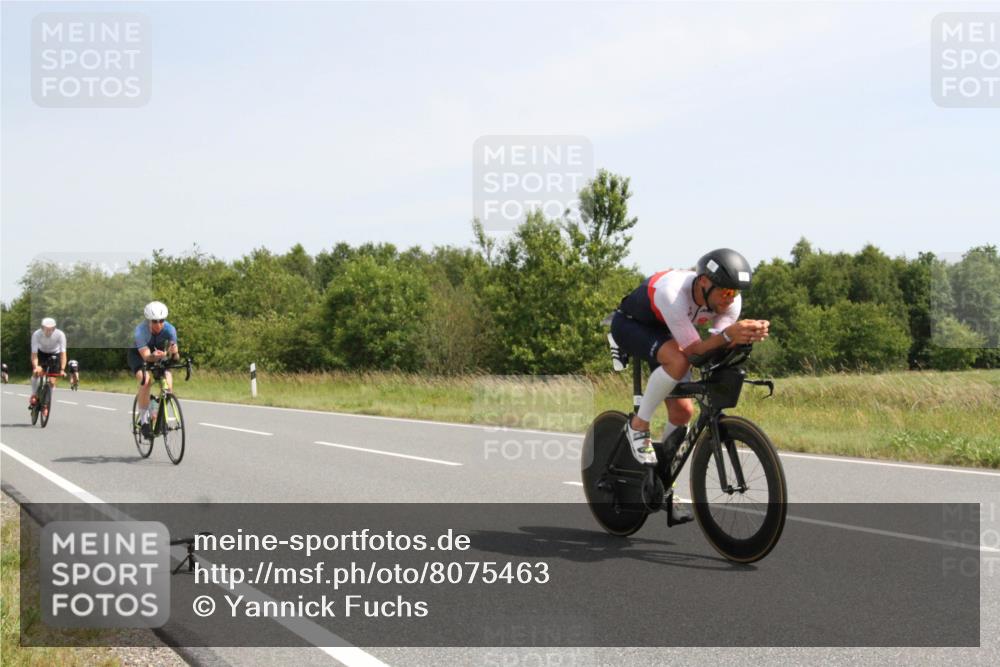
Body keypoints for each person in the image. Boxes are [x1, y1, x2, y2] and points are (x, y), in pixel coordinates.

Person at [610, 249, 770, 523]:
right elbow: (695, 352)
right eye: (726, 292)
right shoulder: (673, 293)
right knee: (679, 361)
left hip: (672, 331)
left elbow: (716, 347)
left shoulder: (730, 301)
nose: (730, 298)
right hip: (633, 325)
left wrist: (742, 337)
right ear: (705, 282)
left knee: (683, 413)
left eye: (735, 293)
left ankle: (663, 482)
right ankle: (638, 424)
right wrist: (728, 335)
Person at [128, 301, 180, 438]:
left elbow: (176, 357)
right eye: (154, 321)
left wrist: (174, 353)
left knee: (168, 386)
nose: (158, 324)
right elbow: (146, 357)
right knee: (146, 381)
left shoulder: (170, 330)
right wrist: (155, 356)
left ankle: (159, 414)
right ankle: (144, 421)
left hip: (158, 355)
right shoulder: (140, 331)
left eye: (161, 320)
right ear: (148, 321)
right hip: (139, 356)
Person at [29, 317, 67, 410]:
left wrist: (62, 369)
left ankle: (46, 403)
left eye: (51, 330)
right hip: (41, 354)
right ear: (42, 328)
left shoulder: (60, 334)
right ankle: (34, 394)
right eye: (47, 329)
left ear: (54, 328)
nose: (49, 332)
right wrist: (36, 366)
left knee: (52, 380)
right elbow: (34, 354)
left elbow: (63, 354)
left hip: (55, 354)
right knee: (37, 372)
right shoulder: (36, 334)